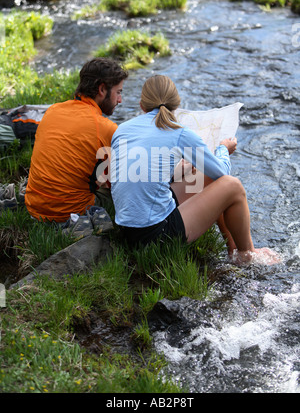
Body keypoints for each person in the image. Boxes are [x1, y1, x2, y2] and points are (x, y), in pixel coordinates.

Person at [110, 75, 280, 266]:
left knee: (203, 177)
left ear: (142, 105)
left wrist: (180, 170)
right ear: (177, 104)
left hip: (128, 231)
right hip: (157, 237)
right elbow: (222, 172)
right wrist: (223, 149)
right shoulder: (178, 131)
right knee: (232, 186)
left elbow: (141, 173)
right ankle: (248, 254)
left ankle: (233, 250)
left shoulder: (122, 129)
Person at [25, 57, 128, 223]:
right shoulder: (106, 128)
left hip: (34, 207)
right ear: (102, 89)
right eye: (118, 92)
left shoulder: (53, 110)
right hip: (69, 214)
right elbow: (115, 183)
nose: (120, 100)